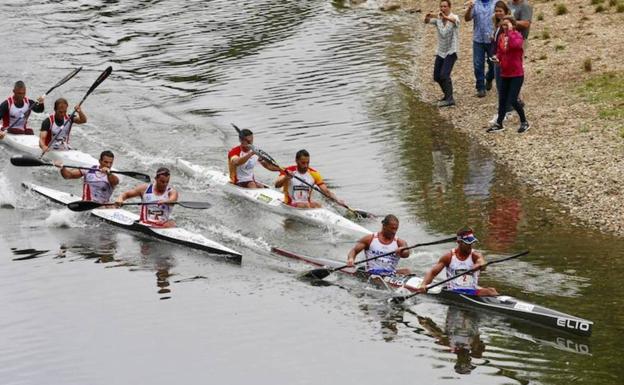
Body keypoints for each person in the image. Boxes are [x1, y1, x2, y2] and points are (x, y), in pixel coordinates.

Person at [417, 227, 498, 296]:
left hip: (472, 291)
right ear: (459, 242)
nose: (470, 246)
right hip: (453, 292)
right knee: (489, 291)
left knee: (492, 290)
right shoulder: (448, 257)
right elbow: (432, 273)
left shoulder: (475, 255)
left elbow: (481, 262)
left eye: (472, 243)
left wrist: (478, 266)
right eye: (467, 243)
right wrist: (423, 285)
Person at [487, 16, 530, 134]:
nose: (504, 27)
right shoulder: (501, 37)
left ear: (513, 26)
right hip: (505, 73)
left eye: (507, 25)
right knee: (502, 99)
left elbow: (515, 46)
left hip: (516, 74)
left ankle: (524, 122)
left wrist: (510, 32)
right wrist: (497, 57)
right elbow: (500, 52)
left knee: (512, 99)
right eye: (503, 25)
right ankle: (499, 124)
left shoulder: (517, 35)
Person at [274, 149, 345, 208]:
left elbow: (326, 191)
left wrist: (338, 200)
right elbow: (277, 185)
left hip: (306, 205)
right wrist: (286, 177)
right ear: (296, 161)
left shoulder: (314, 174)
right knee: (304, 204)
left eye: (307, 163)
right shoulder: (288, 171)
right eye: (303, 163)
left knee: (318, 205)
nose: (306, 166)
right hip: (289, 204)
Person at [346, 214, 411, 276]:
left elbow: (406, 253)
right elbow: (354, 251)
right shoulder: (369, 239)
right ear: (384, 226)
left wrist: (402, 251)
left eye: (396, 229)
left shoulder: (400, 242)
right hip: (372, 272)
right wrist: (351, 259)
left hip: (390, 273)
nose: (394, 231)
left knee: (407, 271)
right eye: (392, 228)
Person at [425, 0, 460, 107]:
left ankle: (450, 99)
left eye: (445, 6)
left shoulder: (454, 17)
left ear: (449, 7)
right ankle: (447, 95)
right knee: (436, 76)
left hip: (451, 51)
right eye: (441, 6)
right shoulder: (438, 19)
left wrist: (446, 17)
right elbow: (426, 21)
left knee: (444, 74)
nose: (443, 8)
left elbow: (456, 21)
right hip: (440, 51)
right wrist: (428, 16)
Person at [55, 150, 119, 204]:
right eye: (106, 162)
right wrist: (62, 167)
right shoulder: (89, 169)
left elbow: (115, 182)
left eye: (111, 163)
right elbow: (68, 176)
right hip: (86, 204)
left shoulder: (114, 175)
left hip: (102, 207)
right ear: (100, 161)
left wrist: (109, 174)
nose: (108, 165)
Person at [488, 1, 513, 125]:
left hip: (502, 60)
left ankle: (505, 112)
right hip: (496, 58)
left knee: (502, 86)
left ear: (505, 11)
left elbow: (508, 42)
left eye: (500, 11)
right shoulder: (498, 24)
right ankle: (505, 110)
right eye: (496, 11)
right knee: (501, 86)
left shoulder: (506, 25)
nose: (498, 13)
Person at [464, 0, 496, 97]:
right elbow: (467, 18)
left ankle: (489, 78)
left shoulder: (496, 3)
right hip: (478, 39)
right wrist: (469, 9)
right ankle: (480, 87)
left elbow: (502, 17)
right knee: (478, 64)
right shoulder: (474, 4)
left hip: (492, 39)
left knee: (493, 63)